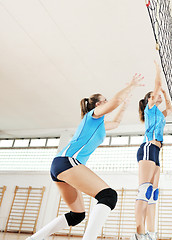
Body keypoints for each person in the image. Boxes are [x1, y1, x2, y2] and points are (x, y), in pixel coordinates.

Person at [27, 74, 144, 240]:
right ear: (98, 105)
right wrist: (130, 86)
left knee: (77, 215)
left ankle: (33, 239)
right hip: (67, 162)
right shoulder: (93, 116)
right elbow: (115, 102)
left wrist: (124, 106)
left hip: (61, 165)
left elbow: (116, 123)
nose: (108, 102)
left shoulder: (99, 124)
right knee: (108, 195)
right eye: (105, 100)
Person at [132, 61, 172, 240]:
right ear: (149, 99)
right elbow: (156, 86)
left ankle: (152, 233)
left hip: (156, 152)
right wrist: (157, 69)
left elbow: (170, 109)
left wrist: (164, 94)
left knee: (153, 194)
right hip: (148, 148)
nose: (158, 97)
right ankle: (139, 233)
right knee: (145, 191)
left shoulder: (158, 113)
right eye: (155, 95)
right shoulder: (150, 109)